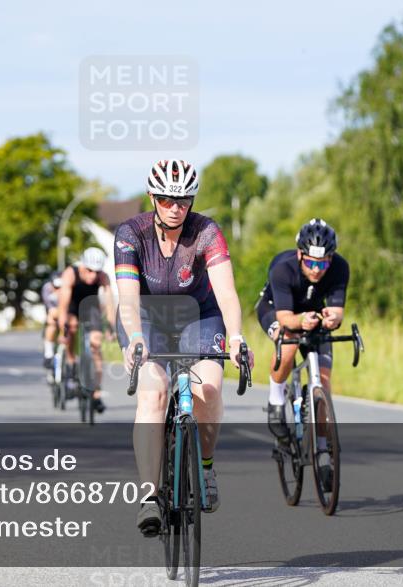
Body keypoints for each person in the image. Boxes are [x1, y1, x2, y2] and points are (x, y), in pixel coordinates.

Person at [115, 159, 251, 536]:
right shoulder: (131, 233)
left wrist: (237, 337)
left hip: (199, 315)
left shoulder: (206, 231)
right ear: (152, 197)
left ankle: (205, 466)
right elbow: (127, 296)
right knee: (154, 391)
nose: (176, 208)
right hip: (145, 317)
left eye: (184, 200)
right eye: (166, 200)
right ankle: (148, 496)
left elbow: (226, 292)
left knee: (206, 387)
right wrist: (136, 338)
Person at [255, 218, 349, 445]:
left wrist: (332, 318)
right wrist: (300, 321)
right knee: (288, 342)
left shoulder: (340, 267)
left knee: (324, 384)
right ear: (300, 255)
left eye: (322, 264)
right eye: (311, 263)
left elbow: (337, 311)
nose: (316, 270)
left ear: (331, 259)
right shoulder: (282, 269)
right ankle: (276, 399)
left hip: (313, 314)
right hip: (277, 310)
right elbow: (286, 319)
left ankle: (323, 448)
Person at [56, 248, 116, 413]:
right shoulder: (70, 273)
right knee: (72, 327)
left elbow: (109, 302)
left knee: (95, 344)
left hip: (91, 307)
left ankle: (96, 392)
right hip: (72, 306)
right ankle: (70, 360)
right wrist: (63, 329)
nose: (92, 276)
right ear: (83, 265)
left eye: (96, 272)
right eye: (89, 270)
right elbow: (63, 304)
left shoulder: (103, 277)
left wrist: (111, 326)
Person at [41, 272, 64, 371]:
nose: (57, 289)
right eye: (56, 287)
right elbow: (49, 307)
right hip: (53, 312)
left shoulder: (66, 288)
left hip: (65, 312)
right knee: (51, 324)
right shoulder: (47, 288)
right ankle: (48, 354)